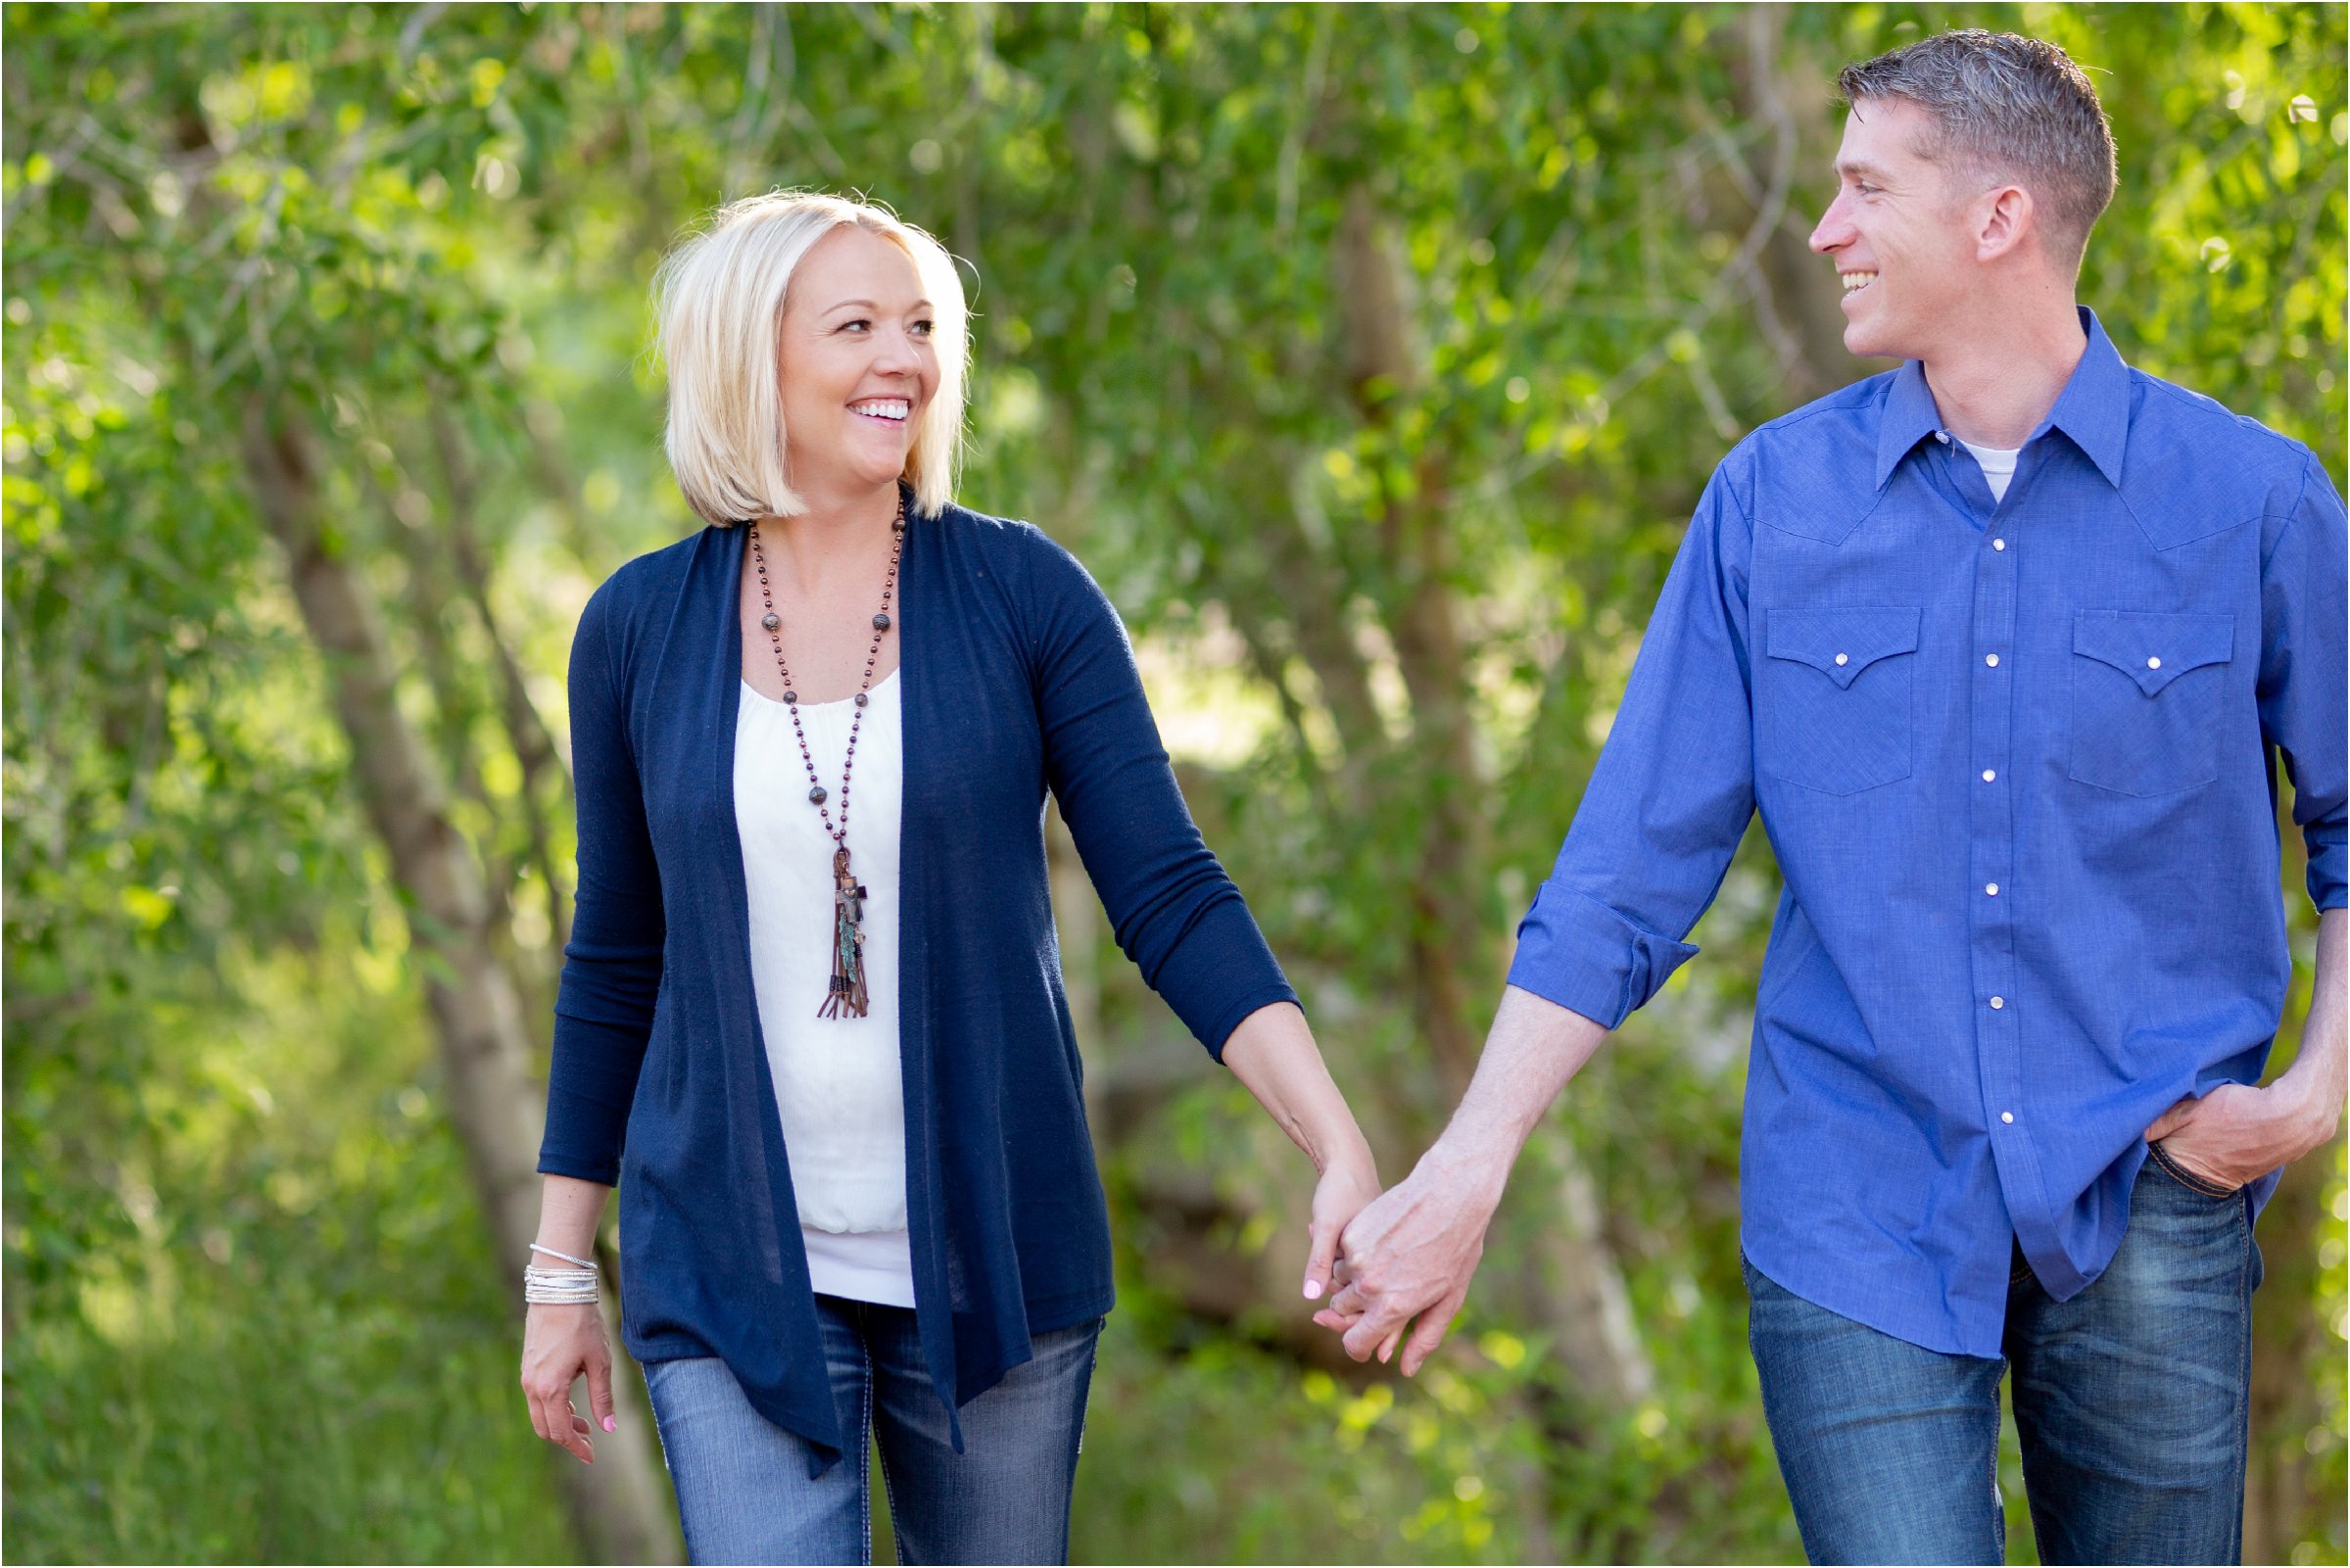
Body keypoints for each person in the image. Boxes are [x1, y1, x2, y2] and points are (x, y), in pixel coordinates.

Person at [1315, 29, 2345, 1566]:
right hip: (1855, 1205)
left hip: (2157, 1184)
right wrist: (1469, 1163)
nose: (1824, 228)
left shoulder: (2256, 504)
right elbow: (1626, 875)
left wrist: (2320, 1089)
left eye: (1866, 187)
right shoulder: (1771, 505)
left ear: (1998, 218)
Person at [517, 192, 1379, 1566]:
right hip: (734, 1266)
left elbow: (1171, 894)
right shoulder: (635, 627)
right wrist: (561, 1270)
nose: (903, 360)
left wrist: (1334, 1139)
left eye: (921, 326)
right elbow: (617, 958)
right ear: (751, 360)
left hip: (997, 1260)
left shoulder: (1027, 598)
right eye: (854, 325)